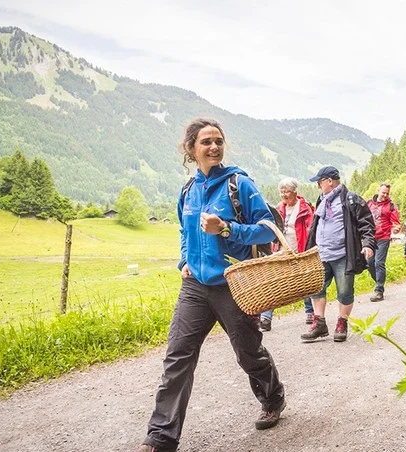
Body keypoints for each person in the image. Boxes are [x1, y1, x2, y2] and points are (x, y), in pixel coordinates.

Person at [138, 118, 286, 452]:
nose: (214, 147)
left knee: (249, 354)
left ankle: (273, 397)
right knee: (178, 357)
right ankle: (161, 436)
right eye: (206, 142)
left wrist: (227, 230)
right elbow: (183, 231)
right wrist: (184, 261)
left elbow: (267, 228)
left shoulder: (239, 184)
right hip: (195, 287)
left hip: (233, 283)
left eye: (218, 140)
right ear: (191, 149)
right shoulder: (188, 190)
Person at [301, 166, 375, 343]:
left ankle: (342, 323)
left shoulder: (351, 199)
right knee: (316, 288)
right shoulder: (322, 200)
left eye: (320, 182)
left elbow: (367, 224)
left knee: (345, 291)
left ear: (329, 181)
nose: (318, 186)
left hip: (343, 254)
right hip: (322, 253)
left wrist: (368, 244)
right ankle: (319, 324)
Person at [258, 177, 315, 332]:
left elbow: (310, 229)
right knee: (274, 283)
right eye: (281, 192)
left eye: (287, 191)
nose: (284, 195)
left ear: (295, 192)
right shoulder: (279, 208)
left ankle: (310, 312)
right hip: (281, 251)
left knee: (304, 282)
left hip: (299, 250)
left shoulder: (304, 208)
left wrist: (309, 249)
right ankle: (266, 318)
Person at [367, 182, 400, 302]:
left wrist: (396, 229)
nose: (385, 195)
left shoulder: (391, 206)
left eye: (387, 193)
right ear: (378, 191)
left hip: (384, 237)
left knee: (379, 263)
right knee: (369, 263)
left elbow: (396, 223)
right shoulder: (369, 203)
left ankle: (379, 290)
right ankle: (379, 283)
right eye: (383, 192)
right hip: (370, 238)